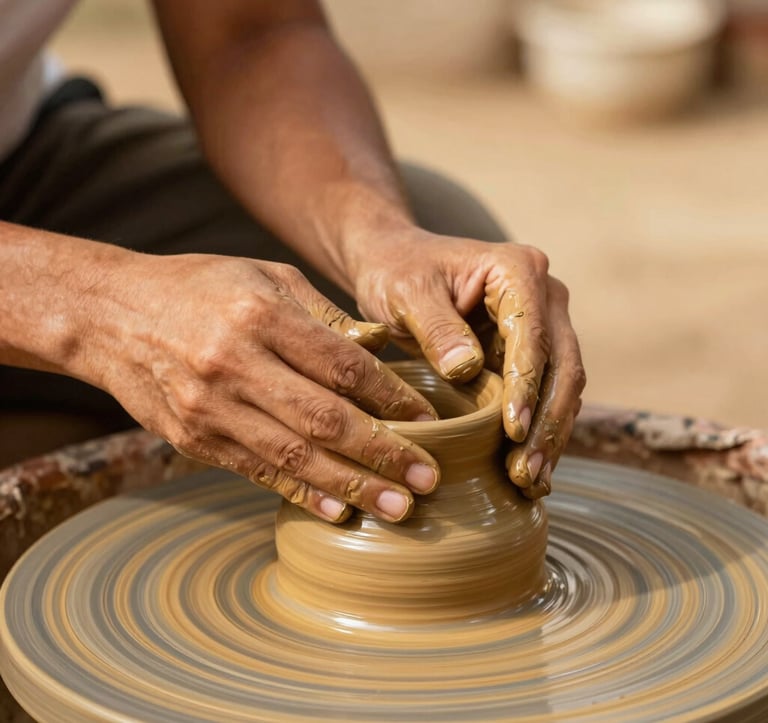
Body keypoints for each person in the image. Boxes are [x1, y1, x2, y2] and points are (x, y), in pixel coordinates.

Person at [0, 1, 585, 524]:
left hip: (20, 144)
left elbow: (252, 32)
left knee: (440, 301)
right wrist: (108, 310)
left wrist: (378, 239)